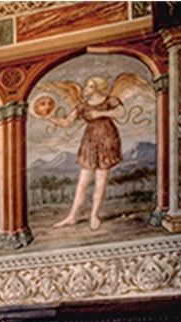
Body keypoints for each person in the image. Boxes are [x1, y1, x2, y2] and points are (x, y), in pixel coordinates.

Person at [38, 75, 127, 231]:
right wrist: (49, 118)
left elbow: (121, 112)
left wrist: (100, 114)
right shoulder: (83, 107)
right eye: (86, 86)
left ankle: (94, 215)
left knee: (100, 183)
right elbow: (66, 122)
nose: (86, 89)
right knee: (82, 183)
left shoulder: (109, 101)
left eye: (90, 86)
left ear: (98, 88)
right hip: (90, 141)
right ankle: (72, 216)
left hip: (107, 139)